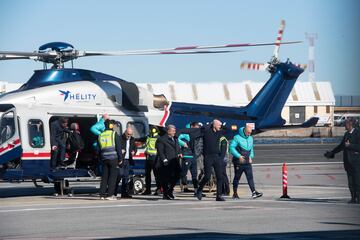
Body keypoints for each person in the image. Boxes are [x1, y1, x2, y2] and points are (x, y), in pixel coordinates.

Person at [179, 119, 226, 201]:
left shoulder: (220, 132)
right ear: (214, 125)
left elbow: (227, 131)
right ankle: (199, 190)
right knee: (207, 176)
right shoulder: (206, 131)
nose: (220, 127)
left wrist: (221, 157)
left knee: (219, 176)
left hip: (216, 157)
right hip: (208, 157)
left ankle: (219, 196)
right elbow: (194, 131)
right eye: (218, 125)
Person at [325, 118, 360, 203]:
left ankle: (359, 198)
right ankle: (353, 198)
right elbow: (341, 146)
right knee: (350, 182)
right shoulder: (346, 134)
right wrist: (332, 153)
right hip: (348, 162)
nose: (344, 125)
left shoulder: (358, 133)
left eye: (346, 124)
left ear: (350, 124)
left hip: (356, 162)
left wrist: (350, 146)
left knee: (357, 181)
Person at [230, 125, 263, 199]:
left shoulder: (250, 138)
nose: (249, 134)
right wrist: (239, 156)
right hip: (239, 161)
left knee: (250, 177)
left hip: (247, 161)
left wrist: (251, 157)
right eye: (248, 132)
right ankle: (235, 193)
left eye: (250, 133)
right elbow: (231, 148)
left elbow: (251, 148)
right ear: (244, 131)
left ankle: (254, 192)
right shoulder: (237, 137)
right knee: (237, 178)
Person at [156, 125, 182, 200]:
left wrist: (180, 152)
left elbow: (178, 147)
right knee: (165, 178)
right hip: (167, 161)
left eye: (175, 130)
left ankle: (170, 190)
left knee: (179, 174)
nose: (174, 132)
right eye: (173, 131)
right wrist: (164, 159)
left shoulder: (175, 139)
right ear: (168, 131)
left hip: (175, 160)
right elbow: (160, 151)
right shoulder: (162, 139)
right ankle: (165, 193)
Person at [98, 119, 122, 200]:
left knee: (104, 177)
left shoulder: (101, 135)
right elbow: (118, 148)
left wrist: (100, 159)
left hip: (104, 158)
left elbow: (98, 149)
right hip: (113, 158)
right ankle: (110, 195)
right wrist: (120, 159)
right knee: (112, 177)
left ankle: (102, 194)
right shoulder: (114, 134)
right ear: (111, 126)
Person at [115, 126, 138, 198]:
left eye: (131, 134)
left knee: (126, 177)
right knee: (119, 175)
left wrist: (134, 151)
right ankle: (113, 192)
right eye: (128, 134)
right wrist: (120, 151)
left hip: (128, 160)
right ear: (125, 132)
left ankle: (124, 193)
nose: (129, 136)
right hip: (121, 160)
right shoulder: (120, 138)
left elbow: (135, 147)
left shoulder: (132, 139)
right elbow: (116, 147)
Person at [178, 123, 198, 193]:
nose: (197, 128)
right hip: (186, 156)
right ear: (191, 127)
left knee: (195, 174)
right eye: (196, 127)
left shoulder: (196, 134)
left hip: (194, 156)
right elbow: (176, 138)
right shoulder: (184, 133)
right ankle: (184, 186)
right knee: (183, 173)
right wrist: (183, 143)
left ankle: (196, 191)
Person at [143, 126, 161, 195]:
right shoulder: (149, 137)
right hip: (148, 157)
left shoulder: (158, 138)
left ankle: (158, 189)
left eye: (151, 130)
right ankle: (148, 190)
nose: (150, 131)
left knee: (157, 175)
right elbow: (147, 145)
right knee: (147, 175)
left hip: (155, 158)